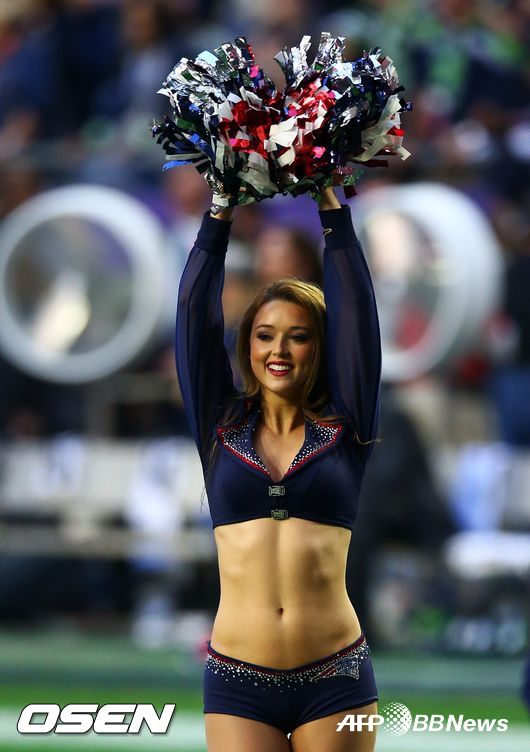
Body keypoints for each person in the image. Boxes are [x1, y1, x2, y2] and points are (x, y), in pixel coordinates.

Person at [176, 184, 382, 751]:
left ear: (321, 347)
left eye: (299, 337)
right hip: (238, 677)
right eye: (265, 336)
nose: (279, 351)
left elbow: (358, 317)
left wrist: (331, 206)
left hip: (335, 675)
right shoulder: (219, 425)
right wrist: (220, 211)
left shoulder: (346, 425)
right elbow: (192, 315)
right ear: (246, 345)